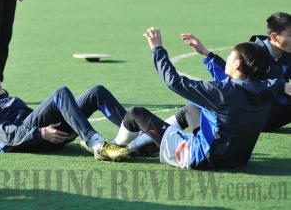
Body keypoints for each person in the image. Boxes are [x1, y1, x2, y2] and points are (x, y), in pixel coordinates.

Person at [113, 27, 290, 169]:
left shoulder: (223, 92)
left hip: (203, 159)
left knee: (136, 113)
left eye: (230, 56)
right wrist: (206, 53)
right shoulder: (267, 89)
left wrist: (157, 49)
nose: (227, 58)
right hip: (237, 160)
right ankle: (147, 143)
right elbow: (237, 81)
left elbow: (174, 82)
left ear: (237, 63)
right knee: (193, 108)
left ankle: (118, 147)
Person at [0, 64, 132, 162]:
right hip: (34, 140)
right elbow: (8, 134)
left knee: (96, 92)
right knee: (60, 93)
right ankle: (96, 144)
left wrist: (69, 123)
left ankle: (136, 135)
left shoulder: (6, 99)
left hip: (45, 133)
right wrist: (41, 132)